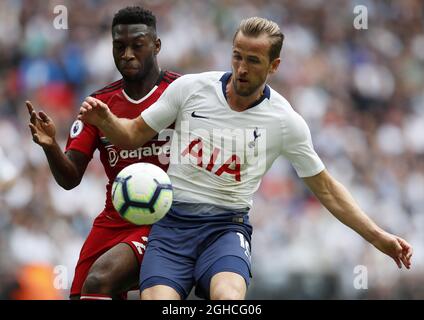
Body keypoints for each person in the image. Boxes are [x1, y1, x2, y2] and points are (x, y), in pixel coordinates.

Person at [78, 17, 413, 300]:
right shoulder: (190, 89)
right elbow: (132, 134)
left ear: (274, 65)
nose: (241, 68)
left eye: (253, 61)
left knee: (229, 298)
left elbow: (325, 188)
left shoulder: (284, 121)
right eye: (237, 57)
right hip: (172, 225)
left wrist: (378, 237)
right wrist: (106, 120)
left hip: (225, 228)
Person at [27, 6, 179, 300]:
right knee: (83, 293)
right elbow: (70, 178)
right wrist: (51, 146)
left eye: (137, 45)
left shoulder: (181, 93)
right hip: (115, 218)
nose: (127, 55)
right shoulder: (98, 105)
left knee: (100, 280)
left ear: (156, 45)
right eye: (119, 47)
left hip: (165, 220)